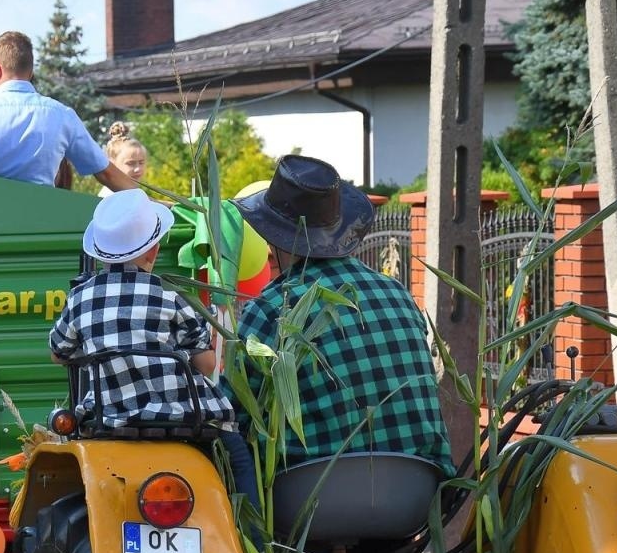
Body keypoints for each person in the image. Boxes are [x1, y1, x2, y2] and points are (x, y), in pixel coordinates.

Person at [232, 154, 453, 475]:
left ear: (271, 236)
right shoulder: (397, 293)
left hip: (309, 498)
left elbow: (236, 414)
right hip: (416, 493)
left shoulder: (269, 308)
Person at [49, 190, 259, 507]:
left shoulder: (80, 298)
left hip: (110, 418)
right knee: (239, 458)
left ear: (101, 254)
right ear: (154, 249)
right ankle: (254, 543)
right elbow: (203, 364)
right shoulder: (170, 295)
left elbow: (58, 353)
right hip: (181, 419)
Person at [0, 32, 140, 193]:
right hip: (41, 225)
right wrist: (151, 203)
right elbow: (106, 174)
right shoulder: (62, 115)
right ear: (31, 71)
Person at [98, 122, 148, 198]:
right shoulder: (110, 197)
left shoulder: (133, 193)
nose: (138, 169)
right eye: (130, 163)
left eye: (141, 162)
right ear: (112, 164)